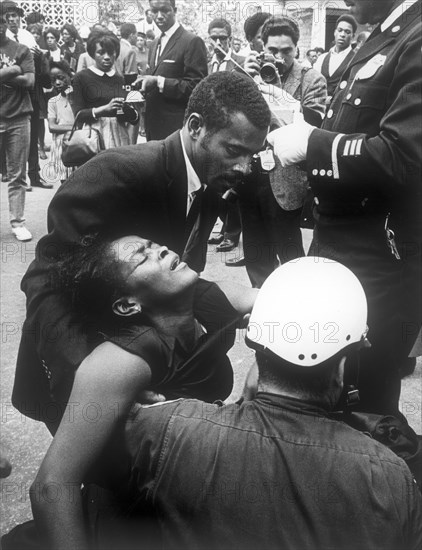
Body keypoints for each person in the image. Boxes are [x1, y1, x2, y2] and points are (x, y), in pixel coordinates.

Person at [62, 258, 422, 550]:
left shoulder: (161, 430)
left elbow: (89, 500)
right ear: (345, 364)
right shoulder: (390, 475)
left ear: (253, 339)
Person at [12, 71, 270, 429]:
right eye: (234, 151)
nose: (243, 167)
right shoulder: (117, 173)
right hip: (78, 370)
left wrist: (259, 306)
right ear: (195, 126)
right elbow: (46, 282)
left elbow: (171, 278)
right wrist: (85, 379)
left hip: (145, 360)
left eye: (252, 155)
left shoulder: (210, 177)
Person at [268, 0, 422, 417]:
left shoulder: (416, 33)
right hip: (343, 242)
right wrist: (309, 125)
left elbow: (404, 156)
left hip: (378, 255)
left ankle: (376, 478)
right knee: (329, 384)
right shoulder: (390, 31)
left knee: (364, 392)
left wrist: (313, 143)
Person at [238, 15, 327, 287]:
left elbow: (314, 124)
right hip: (249, 175)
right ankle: (261, 305)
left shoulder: (311, 79)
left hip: (286, 179)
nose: (279, 57)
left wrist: (277, 92)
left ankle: (296, 307)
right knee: (256, 255)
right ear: (261, 48)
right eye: (272, 51)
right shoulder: (247, 73)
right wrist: (242, 75)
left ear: (297, 49)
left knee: (290, 256)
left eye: (286, 51)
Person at [137, 0, 208, 141]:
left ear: (175, 10)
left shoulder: (191, 41)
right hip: (153, 129)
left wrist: (159, 82)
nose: (159, 16)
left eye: (164, 10)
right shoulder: (153, 44)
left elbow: (197, 87)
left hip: (176, 131)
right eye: (154, 11)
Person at [206, 17, 243, 255]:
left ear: (230, 39)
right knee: (213, 181)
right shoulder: (205, 64)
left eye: (222, 37)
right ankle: (221, 226)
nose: (218, 42)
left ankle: (232, 232)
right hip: (211, 133)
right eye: (214, 38)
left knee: (233, 182)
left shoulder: (239, 63)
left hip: (234, 134)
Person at [72, 30, 139, 150]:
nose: (107, 57)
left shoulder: (120, 79)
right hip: (93, 136)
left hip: (119, 136)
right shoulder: (81, 78)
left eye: (111, 53)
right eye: (101, 53)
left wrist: (128, 110)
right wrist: (103, 110)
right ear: (92, 54)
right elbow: (78, 115)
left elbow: (130, 118)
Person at [0, 13, 34, 242]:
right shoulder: (18, 59)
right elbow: (21, 75)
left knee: (18, 174)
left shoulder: (21, 49)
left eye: (1, 21)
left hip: (19, 116)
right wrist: (12, 71)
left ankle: (18, 222)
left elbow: (30, 81)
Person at [314, 14, 357, 102]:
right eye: (340, 30)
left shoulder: (356, 59)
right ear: (335, 32)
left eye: (347, 32)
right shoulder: (322, 58)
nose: (342, 34)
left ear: (353, 36)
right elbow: (314, 83)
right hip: (319, 106)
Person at [47, 60, 75, 184]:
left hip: (79, 144)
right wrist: (75, 127)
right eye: (53, 80)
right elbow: (52, 127)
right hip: (61, 146)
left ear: (69, 76)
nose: (57, 82)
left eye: (61, 78)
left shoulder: (78, 98)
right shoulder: (53, 101)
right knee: (65, 182)